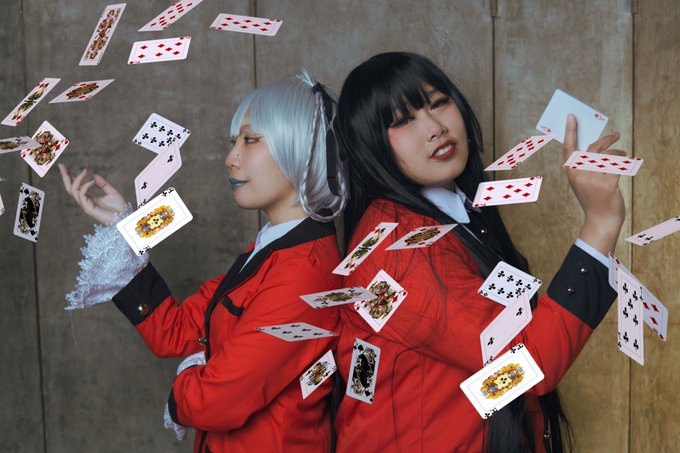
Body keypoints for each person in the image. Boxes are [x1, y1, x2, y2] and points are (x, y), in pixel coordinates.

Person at [333, 52, 625, 452]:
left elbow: (499, 374)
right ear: (369, 145)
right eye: (402, 121)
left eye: (439, 103)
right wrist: (600, 224)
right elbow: (524, 365)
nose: (435, 127)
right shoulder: (396, 253)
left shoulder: (459, 209)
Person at [58, 71, 347, 453]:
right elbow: (178, 331)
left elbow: (215, 401)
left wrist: (186, 382)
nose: (231, 158)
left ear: (301, 148)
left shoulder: (303, 272)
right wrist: (125, 228)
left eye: (250, 140)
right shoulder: (271, 247)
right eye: (233, 142)